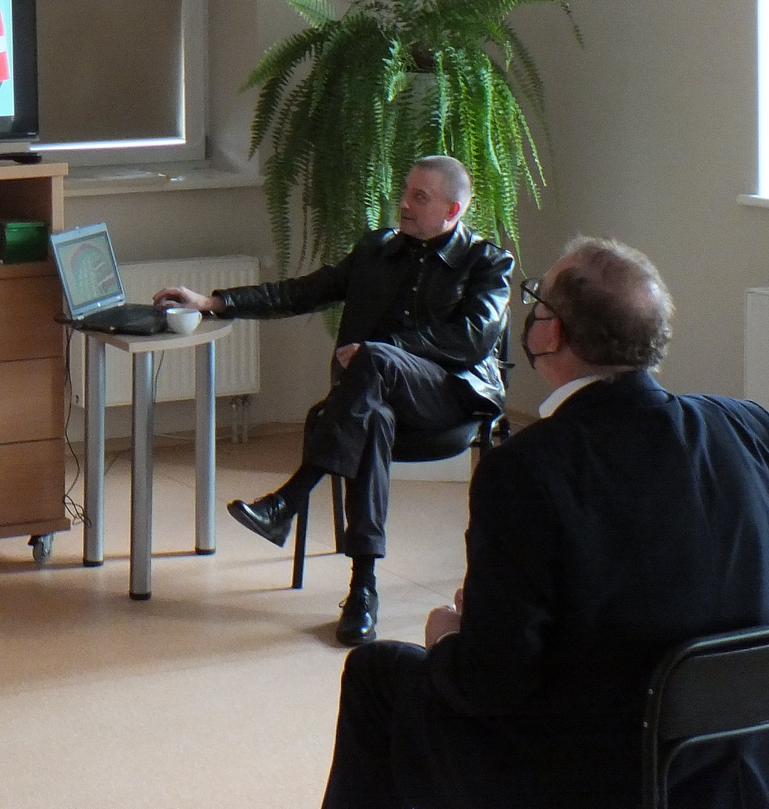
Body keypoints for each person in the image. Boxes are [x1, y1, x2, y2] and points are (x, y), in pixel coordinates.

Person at [319, 237, 769, 809]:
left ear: (550, 333)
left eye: (537, 299)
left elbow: (491, 685)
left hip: (599, 780)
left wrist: (451, 638)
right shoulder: (750, 426)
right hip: (763, 778)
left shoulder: (524, 470)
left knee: (378, 673)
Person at [154, 156, 511, 645]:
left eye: (419, 197)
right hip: (371, 399)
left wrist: (384, 350)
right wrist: (215, 302)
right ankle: (363, 589)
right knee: (373, 419)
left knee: (377, 359)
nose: (404, 204)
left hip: (448, 397)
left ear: (453, 210)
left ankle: (291, 497)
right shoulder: (376, 250)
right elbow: (303, 292)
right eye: (405, 191)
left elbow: (472, 339)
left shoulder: (487, 262)